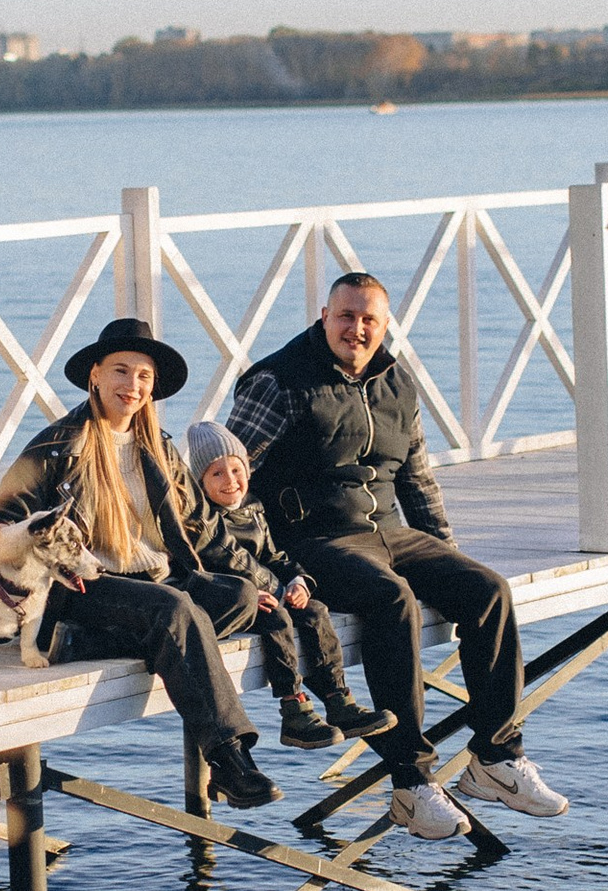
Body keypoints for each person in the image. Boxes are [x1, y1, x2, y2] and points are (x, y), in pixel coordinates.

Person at [225, 272, 569, 837]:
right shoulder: (278, 380)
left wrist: (446, 555)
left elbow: (417, 478)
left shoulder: (396, 381)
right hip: (316, 538)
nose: (356, 330)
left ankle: (496, 758)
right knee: (392, 600)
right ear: (323, 315)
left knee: (488, 591)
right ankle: (411, 780)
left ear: (385, 326)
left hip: (390, 531)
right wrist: (261, 560)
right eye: (345, 316)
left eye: (369, 320)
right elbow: (229, 477)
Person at [0, 319, 279, 811]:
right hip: (88, 587)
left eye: (143, 377)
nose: (131, 387)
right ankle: (229, 758)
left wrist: (273, 581)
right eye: (120, 371)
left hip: (156, 583)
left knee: (235, 597)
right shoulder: (59, 445)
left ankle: (104, 644)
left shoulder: (159, 448)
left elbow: (204, 529)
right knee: (174, 610)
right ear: (94, 375)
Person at [184, 419, 396, 753]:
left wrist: (298, 581)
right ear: (200, 481)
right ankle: (293, 707)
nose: (230, 481)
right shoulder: (203, 519)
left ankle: (336, 697)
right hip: (232, 599)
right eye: (217, 474)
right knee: (278, 619)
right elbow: (228, 560)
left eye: (236, 470)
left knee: (314, 611)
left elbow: (272, 555)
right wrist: (274, 593)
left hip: (271, 591)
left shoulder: (253, 508)